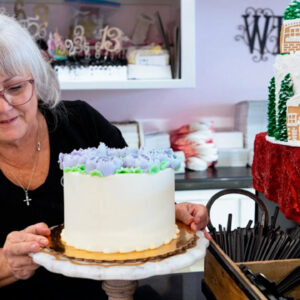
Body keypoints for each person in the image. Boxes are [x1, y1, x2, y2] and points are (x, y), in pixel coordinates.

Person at [0, 14, 210, 299]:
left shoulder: (81, 122)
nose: (5, 107)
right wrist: (6, 262)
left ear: (36, 81)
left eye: (15, 88)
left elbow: (128, 190)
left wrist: (169, 211)